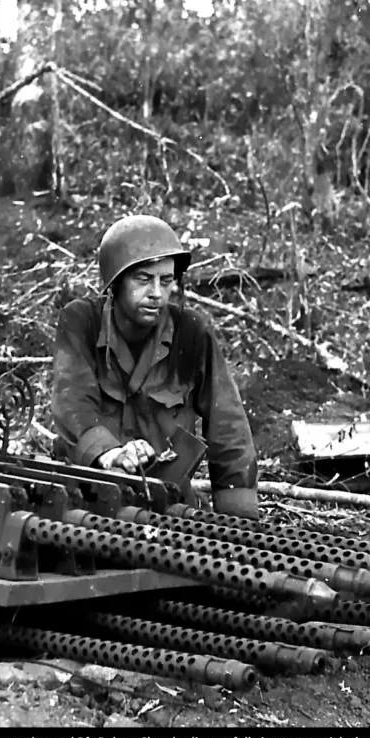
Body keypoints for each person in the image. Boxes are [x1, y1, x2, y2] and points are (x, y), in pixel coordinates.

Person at [51, 215, 259, 519]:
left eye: (166, 280)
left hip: (165, 511)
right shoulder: (82, 323)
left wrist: (241, 523)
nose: (157, 293)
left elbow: (229, 430)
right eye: (144, 279)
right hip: (87, 507)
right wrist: (109, 454)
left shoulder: (192, 333)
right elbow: (73, 402)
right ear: (116, 282)